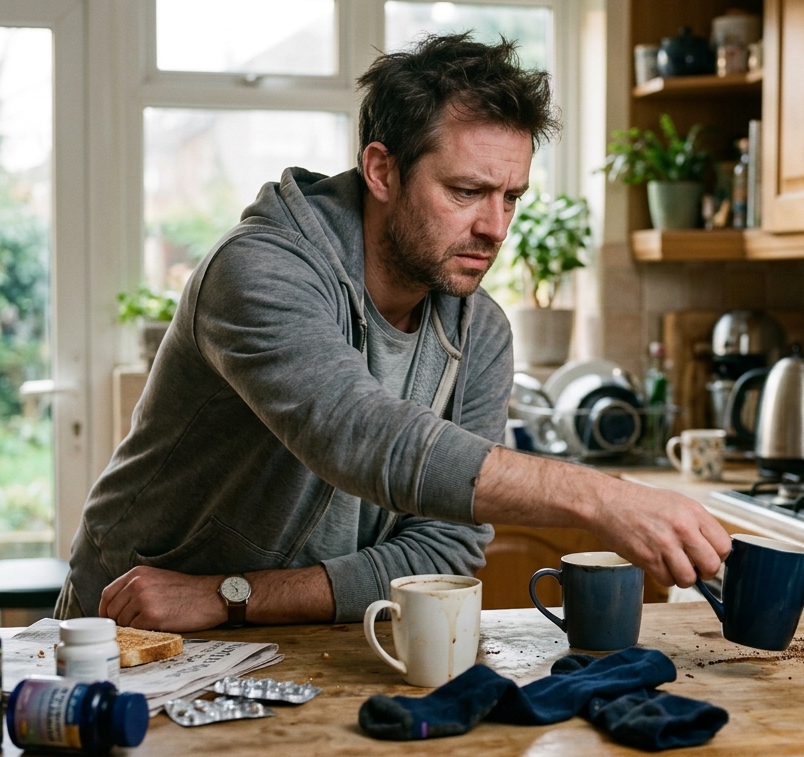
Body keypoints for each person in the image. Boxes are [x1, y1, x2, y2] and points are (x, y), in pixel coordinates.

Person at [57, 34, 729, 632]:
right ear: (382, 170)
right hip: (130, 628)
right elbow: (359, 436)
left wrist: (230, 597)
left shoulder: (481, 331)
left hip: (300, 636)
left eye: (512, 196)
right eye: (466, 191)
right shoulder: (259, 271)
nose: (496, 227)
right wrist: (597, 496)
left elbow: (442, 553)